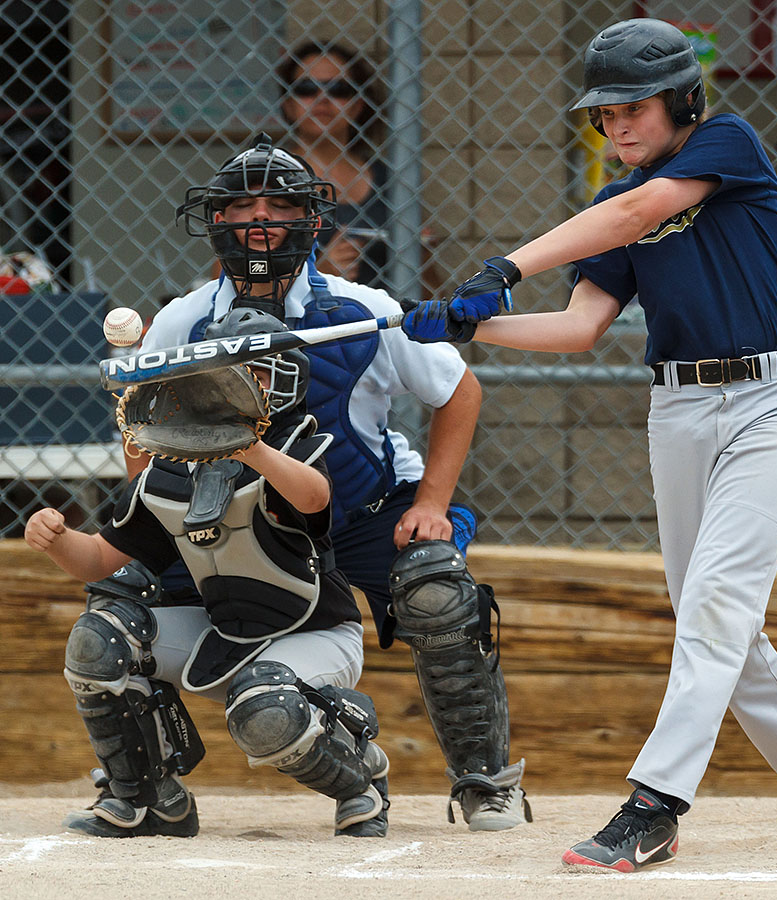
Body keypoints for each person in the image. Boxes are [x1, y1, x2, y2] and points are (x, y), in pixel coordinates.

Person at [401, 17, 777, 871]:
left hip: (776, 398)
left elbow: (642, 208)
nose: (616, 124)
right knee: (708, 607)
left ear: (683, 100)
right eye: (603, 112)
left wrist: (502, 267)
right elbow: (582, 326)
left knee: (717, 601)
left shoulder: (725, 143)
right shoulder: (605, 214)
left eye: (634, 106)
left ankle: (655, 804)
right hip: (681, 411)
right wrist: (469, 327)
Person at [128, 134, 530, 831]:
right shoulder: (182, 320)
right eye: (241, 205)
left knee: (435, 588)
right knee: (124, 605)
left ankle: (484, 781)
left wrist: (432, 502)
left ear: (312, 220)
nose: (259, 219)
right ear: (214, 220)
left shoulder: (360, 307)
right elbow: (144, 440)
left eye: (279, 205)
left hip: (361, 507)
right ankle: (135, 784)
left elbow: (459, 392)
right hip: (244, 519)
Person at [24, 308, 391, 839]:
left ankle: (362, 778)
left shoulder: (296, 450)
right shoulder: (168, 470)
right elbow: (100, 560)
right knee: (99, 642)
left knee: (265, 712)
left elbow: (314, 500)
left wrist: (250, 447)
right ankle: (151, 801)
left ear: (286, 382)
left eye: (256, 374)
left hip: (315, 636)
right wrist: (57, 540)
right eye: (226, 376)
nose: (241, 387)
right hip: (225, 635)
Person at [276, 39, 441, 294]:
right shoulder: (266, 175)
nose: (322, 100)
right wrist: (318, 274)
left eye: (339, 89)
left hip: (386, 325)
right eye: (307, 88)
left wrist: (417, 251)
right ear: (288, 103)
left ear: (357, 104)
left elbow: (432, 293)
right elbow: (226, 282)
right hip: (300, 327)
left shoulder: (391, 181)